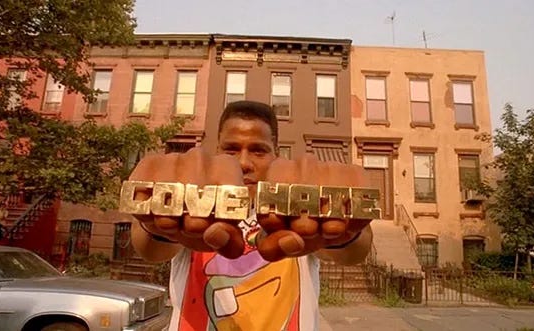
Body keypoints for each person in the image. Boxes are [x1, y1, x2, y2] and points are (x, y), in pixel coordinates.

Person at [127, 100, 374, 330]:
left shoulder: (296, 213)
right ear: (216, 152)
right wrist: (158, 222)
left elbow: (354, 250)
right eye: (231, 150)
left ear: (276, 155)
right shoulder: (195, 206)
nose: (244, 163)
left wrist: (345, 230)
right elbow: (149, 247)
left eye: (258, 151)